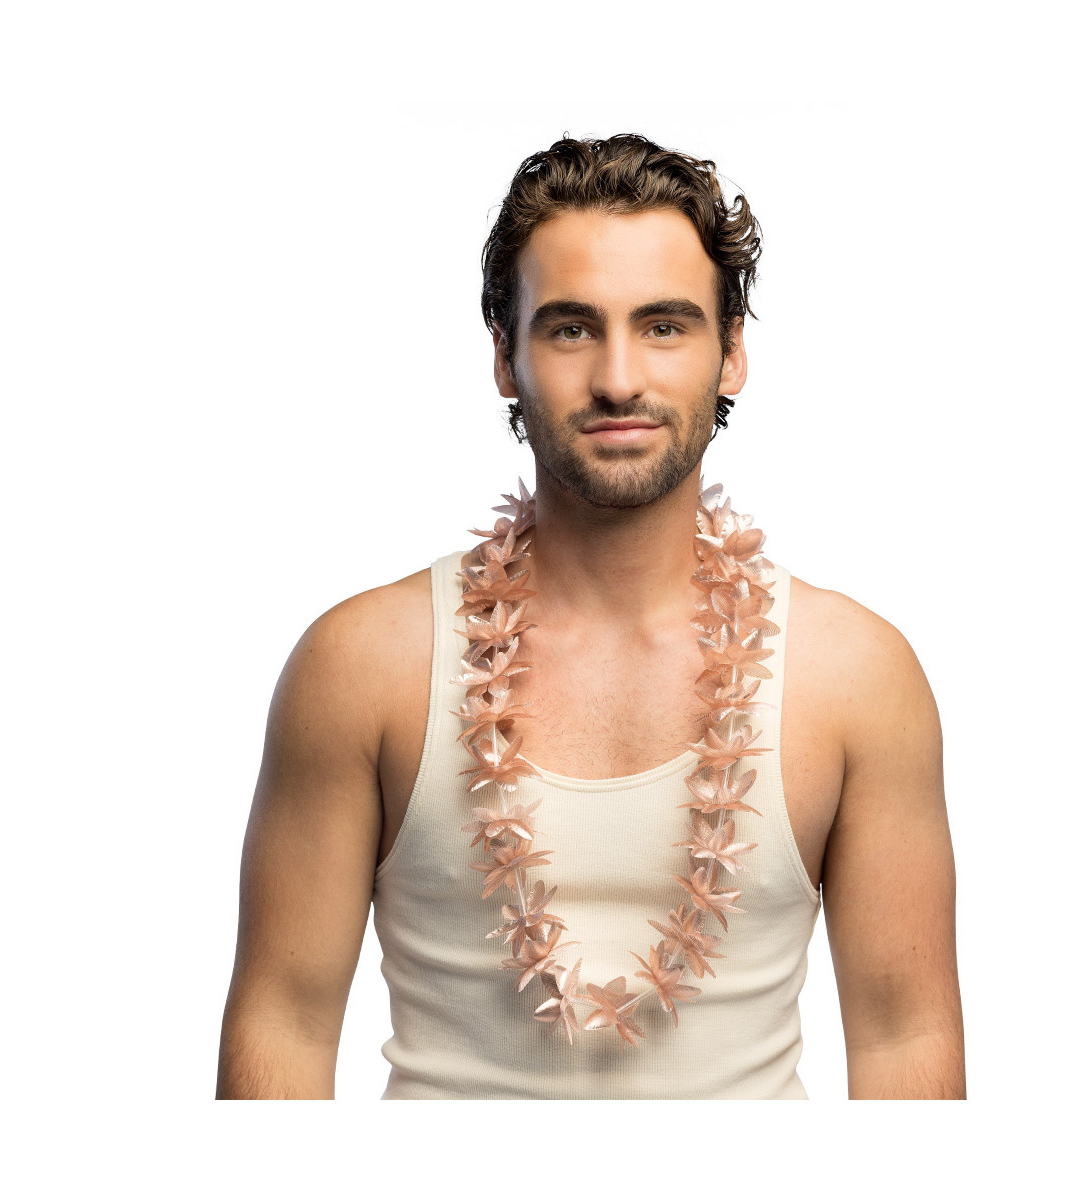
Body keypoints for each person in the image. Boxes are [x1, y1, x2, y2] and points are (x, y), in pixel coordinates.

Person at [216, 134, 965, 1100]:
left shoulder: (856, 676)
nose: (618, 377)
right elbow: (284, 1019)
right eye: (572, 328)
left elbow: (906, 1034)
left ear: (732, 352)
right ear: (505, 356)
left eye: (665, 326)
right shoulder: (363, 665)